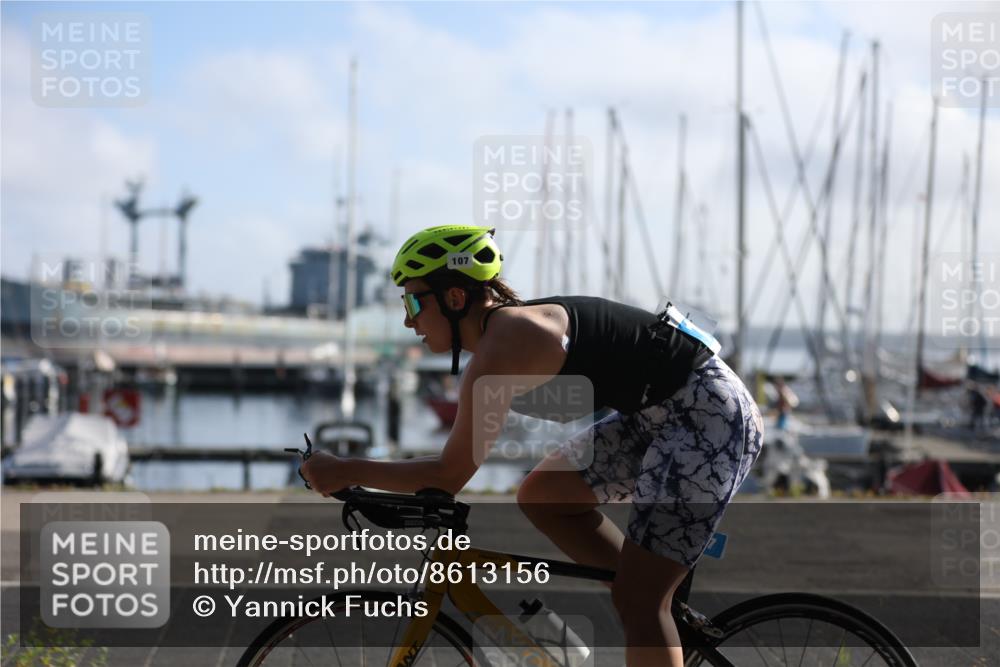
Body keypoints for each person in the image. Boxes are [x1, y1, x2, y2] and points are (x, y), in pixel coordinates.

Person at [300, 225, 764, 667]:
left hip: (707, 417)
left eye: (413, 302)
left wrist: (347, 470)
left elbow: (449, 474)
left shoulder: (508, 342)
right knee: (543, 496)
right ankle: (653, 604)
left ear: (455, 298)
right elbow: (453, 466)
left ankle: (649, 604)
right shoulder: (499, 341)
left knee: (641, 601)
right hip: (658, 414)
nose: (407, 319)